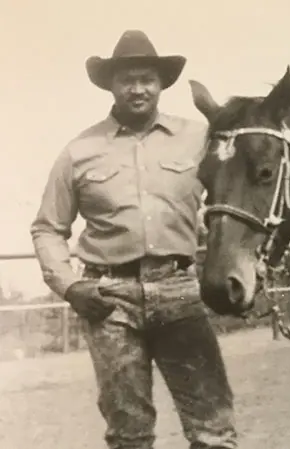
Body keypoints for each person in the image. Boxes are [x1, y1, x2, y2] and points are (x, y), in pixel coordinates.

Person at [30, 30, 238, 449]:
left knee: (213, 427)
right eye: (127, 79)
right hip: (110, 300)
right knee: (129, 431)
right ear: (111, 85)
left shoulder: (199, 140)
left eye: (147, 78)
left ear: (161, 84)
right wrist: (70, 286)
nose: (138, 88)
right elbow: (48, 227)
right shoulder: (79, 150)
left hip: (179, 289)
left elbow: (237, 199)